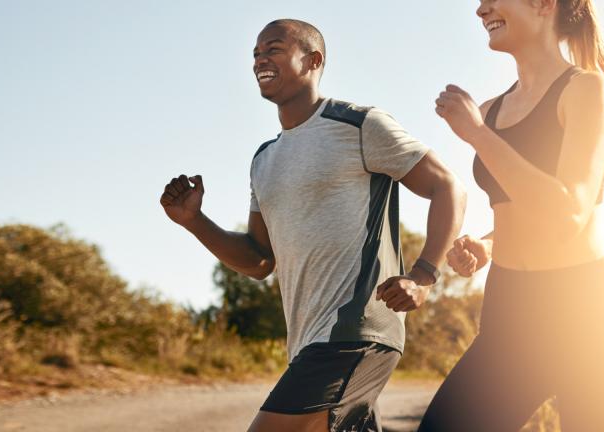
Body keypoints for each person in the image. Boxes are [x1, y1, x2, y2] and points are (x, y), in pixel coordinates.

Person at [160, 19, 466, 432]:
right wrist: (195, 221)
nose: (260, 60)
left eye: (273, 49)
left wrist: (423, 275)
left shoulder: (360, 125)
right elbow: (259, 260)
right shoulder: (264, 160)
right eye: (255, 54)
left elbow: (447, 186)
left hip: (355, 333)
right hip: (307, 343)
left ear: (313, 60)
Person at [418, 0, 604, 430]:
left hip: (588, 316)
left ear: (544, 4)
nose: (481, 9)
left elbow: (569, 212)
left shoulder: (586, 90)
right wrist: (487, 245)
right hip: (512, 309)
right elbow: (518, 206)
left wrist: (477, 135)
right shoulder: (490, 109)